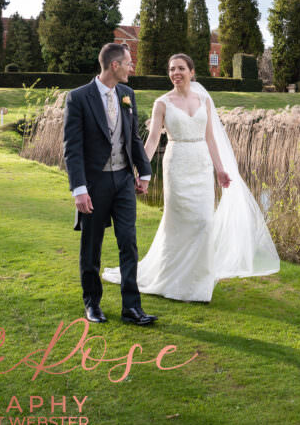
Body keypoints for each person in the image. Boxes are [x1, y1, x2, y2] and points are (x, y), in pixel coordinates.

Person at [103, 53, 279, 302]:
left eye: (181, 68)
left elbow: (210, 138)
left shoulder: (204, 100)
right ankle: (172, 279)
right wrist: (142, 169)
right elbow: (153, 139)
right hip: (177, 164)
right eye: (172, 69)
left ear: (192, 72)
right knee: (178, 224)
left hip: (201, 165)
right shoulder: (162, 103)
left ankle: (198, 283)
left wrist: (220, 169)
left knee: (204, 223)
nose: (176, 73)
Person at [63, 43, 158, 326]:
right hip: (95, 183)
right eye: (129, 63)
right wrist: (79, 189)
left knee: (128, 242)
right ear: (115, 65)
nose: (132, 67)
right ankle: (92, 304)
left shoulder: (127, 94)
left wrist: (144, 171)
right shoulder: (78, 98)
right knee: (91, 246)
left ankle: (131, 307)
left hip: (124, 181)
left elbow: (134, 138)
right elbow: (72, 148)